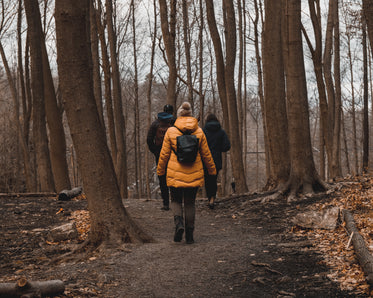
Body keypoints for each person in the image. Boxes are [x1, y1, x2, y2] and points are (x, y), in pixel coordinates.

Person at [157, 102, 216, 244]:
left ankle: (179, 225)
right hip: (194, 172)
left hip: (174, 173)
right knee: (190, 203)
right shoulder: (199, 131)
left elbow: (164, 155)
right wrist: (212, 170)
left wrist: (160, 171)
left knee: (176, 200)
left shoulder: (171, 131)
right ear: (190, 115)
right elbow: (206, 154)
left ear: (178, 115)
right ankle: (190, 234)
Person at [147, 104, 175, 210]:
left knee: (162, 177)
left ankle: (166, 203)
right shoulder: (175, 122)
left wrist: (155, 151)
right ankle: (175, 201)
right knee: (173, 176)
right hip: (173, 153)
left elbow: (149, 139)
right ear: (172, 112)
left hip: (160, 153)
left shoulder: (156, 123)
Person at [203, 113, 231, 209]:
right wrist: (219, 148)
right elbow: (227, 146)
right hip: (216, 158)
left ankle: (209, 198)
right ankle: (212, 199)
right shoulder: (221, 132)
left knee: (207, 179)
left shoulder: (203, 131)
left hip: (205, 158)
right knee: (214, 179)